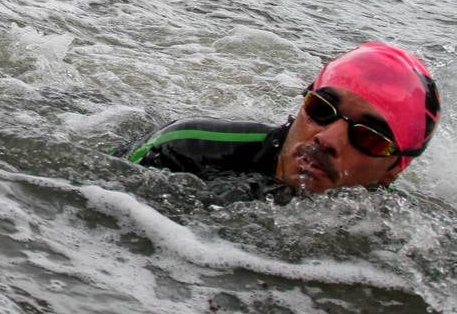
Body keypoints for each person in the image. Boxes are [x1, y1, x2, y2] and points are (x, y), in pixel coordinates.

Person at [127, 42, 440, 198]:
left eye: (369, 136)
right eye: (321, 109)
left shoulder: (392, 230)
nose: (327, 139)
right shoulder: (186, 147)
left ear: (392, 172)